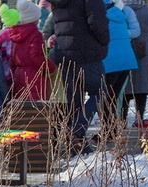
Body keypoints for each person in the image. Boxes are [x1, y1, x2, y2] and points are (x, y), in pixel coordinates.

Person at [49, 0, 109, 154]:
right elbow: (97, 22)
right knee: (101, 92)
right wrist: (104, 41)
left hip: (64, 53)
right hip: (87, 53)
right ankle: (77, 129)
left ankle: (77, 147)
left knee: (74, 100)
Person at [99, 0, 138, 136]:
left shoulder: (99, 15)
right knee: (113, 97)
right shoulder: (120, 13)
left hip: (110, 61)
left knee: (104, 98)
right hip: (126, 60)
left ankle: (108, 132)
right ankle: (111, 131)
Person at [9, 0, 54, 100]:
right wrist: (50, 67)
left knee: (22, 111)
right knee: (37, 109)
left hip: (19, 74)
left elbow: (12, 58)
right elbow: (35, 56)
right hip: (34, 76)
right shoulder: (35, 34)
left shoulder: (16, 33)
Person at [124, 0, 148, 124]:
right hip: (144, 51)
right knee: (142, 87)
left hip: (125, 48)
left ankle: (122, 120)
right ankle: (139, 119)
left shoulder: (120, 10)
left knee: (125, 86)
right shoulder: (147, 11)